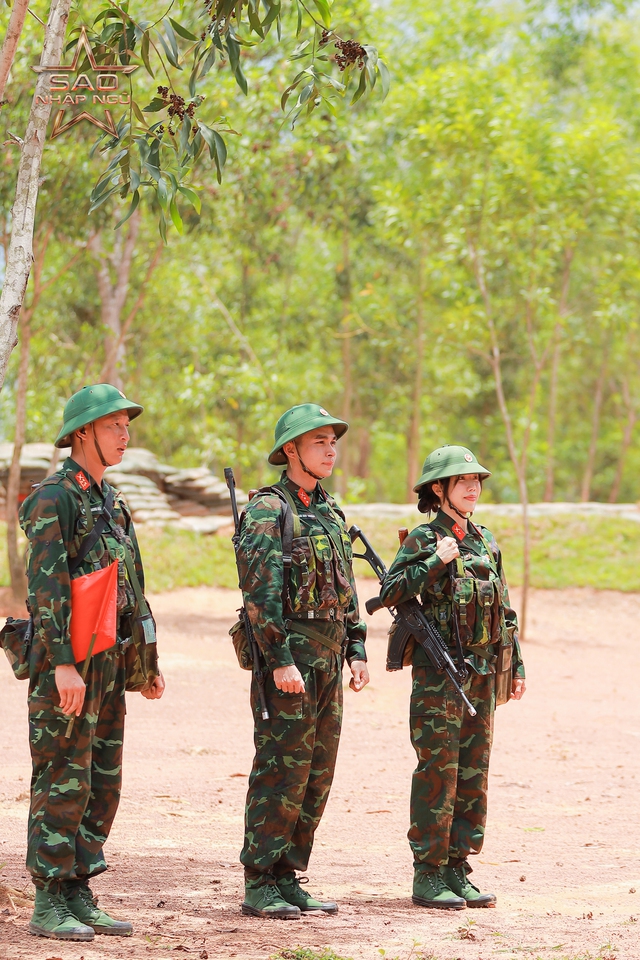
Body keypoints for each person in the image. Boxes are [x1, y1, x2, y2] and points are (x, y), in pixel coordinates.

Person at [19, 383, 165, 941]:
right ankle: (48, 899)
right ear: (83, 433)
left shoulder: (112, 499)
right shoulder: (54, 496)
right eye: (113, 427)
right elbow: (47, 588)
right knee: (62, 775)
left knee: (102, 779)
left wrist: (145, 662)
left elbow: (132, 585)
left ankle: (79, 887)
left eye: (127, 426)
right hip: (69, 663)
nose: (125, 435)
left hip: (109, 663)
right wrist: (60, 665)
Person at [236, 403, 369, 919]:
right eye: (318, 442)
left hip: (329, 660)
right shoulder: (270, 509)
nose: (331, 449)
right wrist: (278, 660)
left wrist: (356, 646)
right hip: (290, 662)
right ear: (290, 450)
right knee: (280, 769)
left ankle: (289, 874)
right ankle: (259, 879)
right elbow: (259, 594)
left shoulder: (330, 510)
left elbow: (346, 587)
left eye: (333, 441)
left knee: (316, 771)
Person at [379, 445, 526, 911]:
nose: (473, 487)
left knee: (472, 771)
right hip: (439, 679)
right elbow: (389, 592)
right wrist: (434, 561)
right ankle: (428, 872)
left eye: (477, 480)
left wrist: (515, 663)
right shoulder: (425, 539)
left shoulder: (484, 540)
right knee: (438, 771)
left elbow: (502, 609)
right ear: (437, 489)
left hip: (481, 674)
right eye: (463, 481)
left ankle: (457, 867)